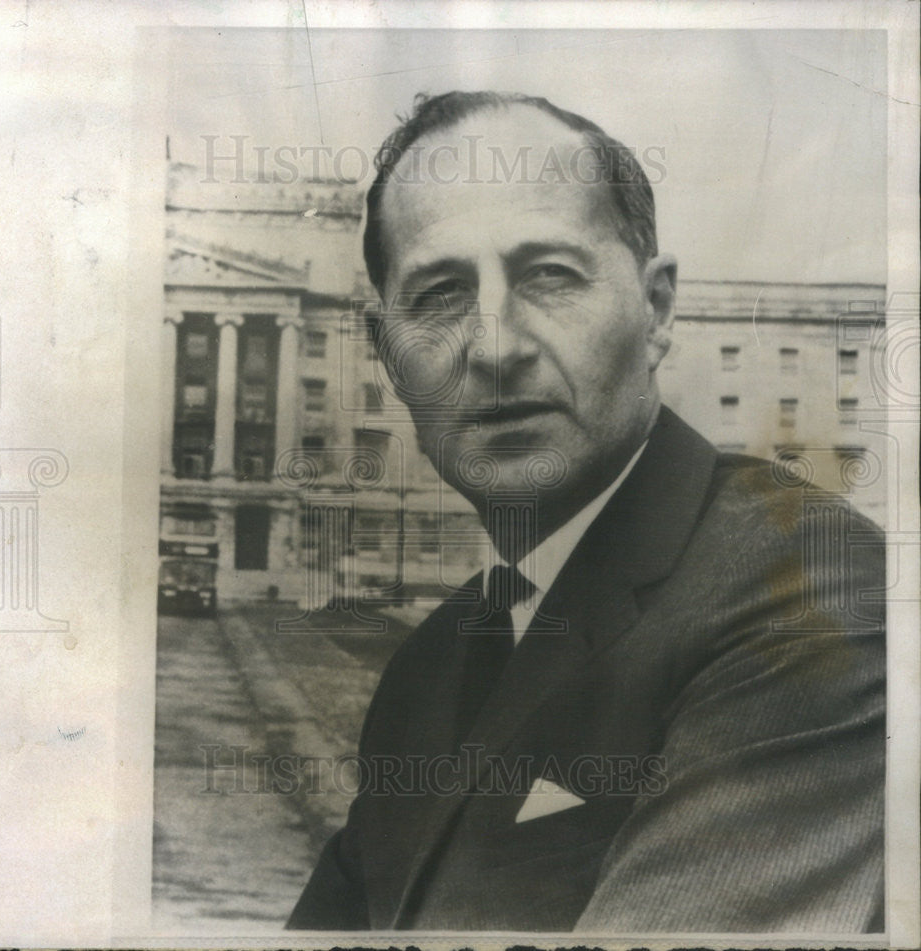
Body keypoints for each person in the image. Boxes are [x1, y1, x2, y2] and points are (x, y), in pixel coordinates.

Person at [287, 91, 885, 933]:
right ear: (388, 354)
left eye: (550, 278)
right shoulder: (428, 667)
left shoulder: (811, 588)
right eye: (439, 295)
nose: (495, 347)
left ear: (657, 310)